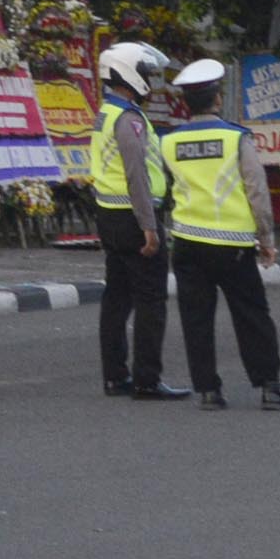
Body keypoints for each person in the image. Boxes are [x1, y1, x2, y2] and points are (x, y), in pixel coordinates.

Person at [158, 59, 280, 410]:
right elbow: (257, 192)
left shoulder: (170, 142)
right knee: (251, 314)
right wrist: (267, 240)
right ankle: (269, 388)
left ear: (187, 103)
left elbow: (164, 188)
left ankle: (208, 391)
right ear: (217, 99)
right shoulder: (236, 138)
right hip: (231, 244)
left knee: (196, 318)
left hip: (187, 241)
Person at [86, 40, 186, 399]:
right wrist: (149, 227)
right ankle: (147, 379)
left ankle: (114, 376)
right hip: (134, 217)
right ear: (128, 74)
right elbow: (137, 176)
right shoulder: (129, 119)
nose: (148, 79)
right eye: (144, 73)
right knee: (150, 300)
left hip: (109, 216)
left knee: (116, 298)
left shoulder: (105, 113)